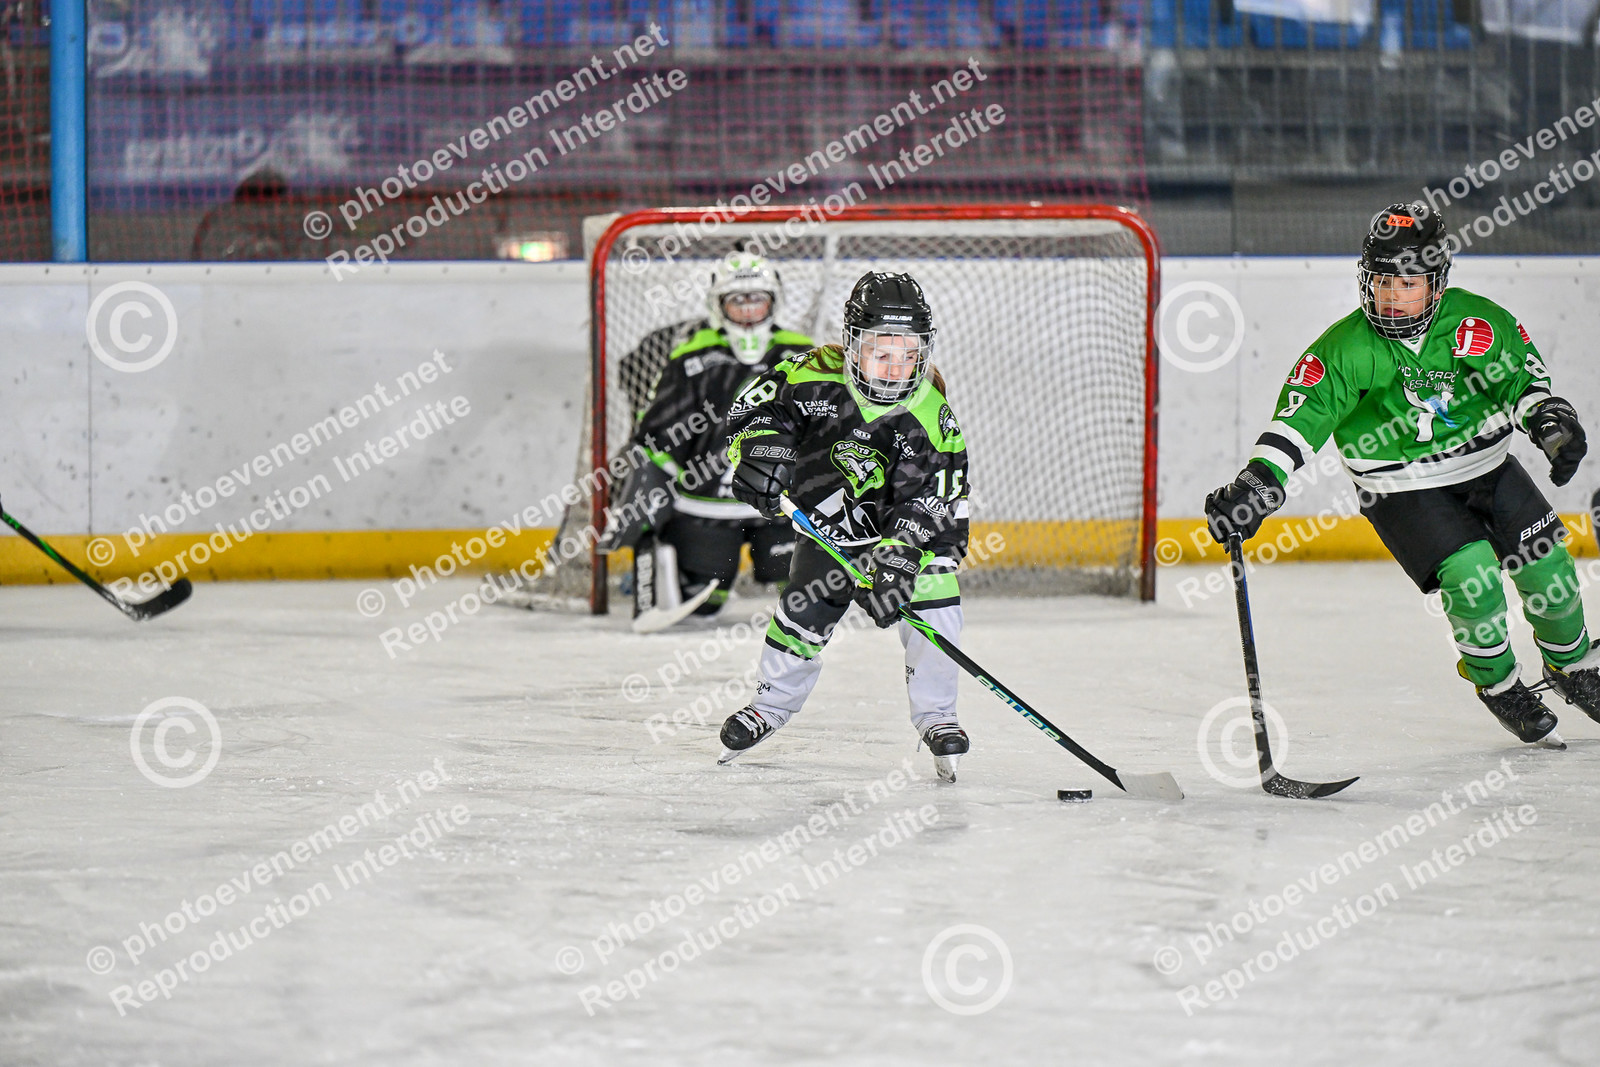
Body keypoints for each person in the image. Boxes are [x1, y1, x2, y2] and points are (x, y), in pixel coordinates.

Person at [1206, 202, 1593, 746]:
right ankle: (1500, 684)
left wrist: (1548, 419)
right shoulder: (1344, 349)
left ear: (1437, 284)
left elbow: (1519, 382)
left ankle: (1572, 664)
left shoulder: (1476, 322)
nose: (1393, 296)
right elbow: (1300, 419)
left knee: (1549, 568)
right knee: (1473, 577)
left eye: (1408, 284)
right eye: (1383, 282)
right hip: (1402, 488)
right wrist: (1258, 482)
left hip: (1488, 468)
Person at [715, 271, 973, 780]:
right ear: (852, 345)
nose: (894, 367)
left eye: (908, 354)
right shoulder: (810, 374)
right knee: (802, 613)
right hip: (828, 529)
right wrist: (759, 451)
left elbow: (935, 500)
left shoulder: (930, 413)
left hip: (908, 538)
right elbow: (751, 412)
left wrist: (900, 558)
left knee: (936, 608)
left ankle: (938, 715)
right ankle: (770, 705)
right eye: (880, 352)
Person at [598, 250, 814, 622]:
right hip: (704, 505)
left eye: (756, 298)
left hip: (782, 507)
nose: (748, 309)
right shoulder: (691, 357)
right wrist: (650, 485)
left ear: (774, 300)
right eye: (737, 300)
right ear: (719, 304)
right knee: (704, 605)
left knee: (804, 599)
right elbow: (656, 433)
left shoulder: (803, 354)